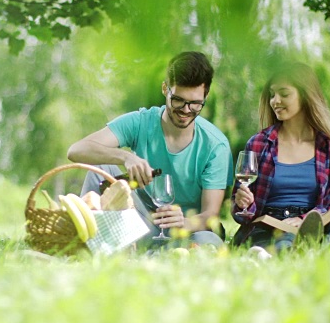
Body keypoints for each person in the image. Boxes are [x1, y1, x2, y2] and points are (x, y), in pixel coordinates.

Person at [67, 51, 233, 249]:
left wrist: (184, 222)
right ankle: (87, 244)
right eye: (178, 100)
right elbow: (77, 150)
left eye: (195, 104)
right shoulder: (141, 122)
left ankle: (153, 254)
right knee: (101, 169)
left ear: (205, 96)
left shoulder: (215, 145)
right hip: (139, 224)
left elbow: (209, 215)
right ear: (165, 89)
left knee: (210, 242)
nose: (186, 111)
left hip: (185, 232)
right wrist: (125, 156)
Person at [231, 62, 330, 252]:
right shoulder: (258, 144)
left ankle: (327, 251)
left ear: (306, 95)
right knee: (282, 240)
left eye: (284, 94)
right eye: (272, 94)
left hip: (315, 225)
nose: (275, 100)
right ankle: (290, 250)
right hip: (270, 225)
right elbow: (241, 213)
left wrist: (305, 220)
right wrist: (243, 203)